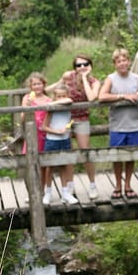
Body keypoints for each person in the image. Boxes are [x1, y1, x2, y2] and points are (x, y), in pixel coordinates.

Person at [50, 55, 100, 199]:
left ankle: (92, 185)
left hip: (82, 118)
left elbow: (91, 98)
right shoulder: (68, 76)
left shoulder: (94, 82)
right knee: (67, 153)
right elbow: (51, 90)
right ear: (74, 67)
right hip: (65, 118)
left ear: (90, 65)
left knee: (85, 151)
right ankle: (69, 186)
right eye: (78, 65)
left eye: (85, 64)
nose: (82, 67)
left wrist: (84, 78)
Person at [99, 48, 138, 199]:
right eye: (119, 61)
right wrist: (122, 96)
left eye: (124, 60)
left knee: (131, 156)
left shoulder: (136, 78)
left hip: (134, 122)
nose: (122, 63)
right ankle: (118, 185)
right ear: (115, 64)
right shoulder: (111, 79)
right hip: (118, 124)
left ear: (129, 61)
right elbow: (102, 96)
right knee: (117, 156)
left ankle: (128, 185)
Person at [40, 84, 77, 205]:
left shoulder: (67, 106)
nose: (61, 98)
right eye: (58, 96)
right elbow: (44, 126)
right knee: (50, 167)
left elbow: (70, 100)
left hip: (65, 140)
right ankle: (48, 193)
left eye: (63, 96)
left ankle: (65, 193)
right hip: (52, 140)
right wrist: (57, 132)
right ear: (54, 97)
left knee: (63, 166)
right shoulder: (52, 111)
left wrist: (52, 103)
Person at [21, 72, 53, 193]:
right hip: (32, 134)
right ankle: (32, 191)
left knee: (43, 165)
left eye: (39, 84)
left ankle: (42, 190)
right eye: (34, 84)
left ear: (43, 85)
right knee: (29, 164)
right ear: (30, 86)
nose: (37, 86)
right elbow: (22, 118)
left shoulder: (49, 100)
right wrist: (27, 107)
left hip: (45, 135)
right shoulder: (26, 98)